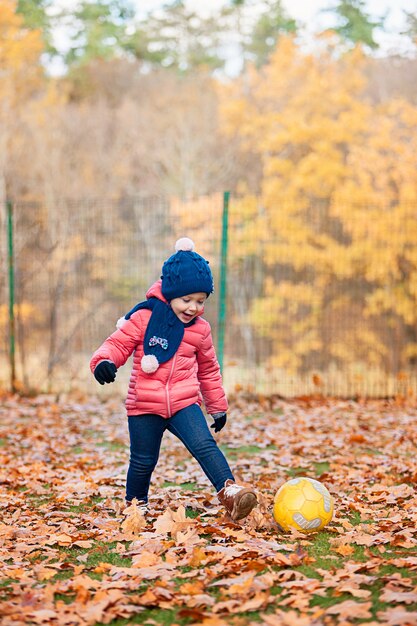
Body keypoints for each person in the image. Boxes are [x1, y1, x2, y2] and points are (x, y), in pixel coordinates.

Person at [90, 237, 258, 521]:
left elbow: (208, 369)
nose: (193, 308)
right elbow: (117, 344)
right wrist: (103, 362)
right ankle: (136, 507)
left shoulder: (200, 330)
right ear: (169, 294)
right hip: (144, 404)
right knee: (143, 462)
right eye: (186, 300)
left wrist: (217, 406)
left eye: (200, 301)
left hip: (184, 402)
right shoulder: (144, 319)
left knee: (205, 445)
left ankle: (230, 493)